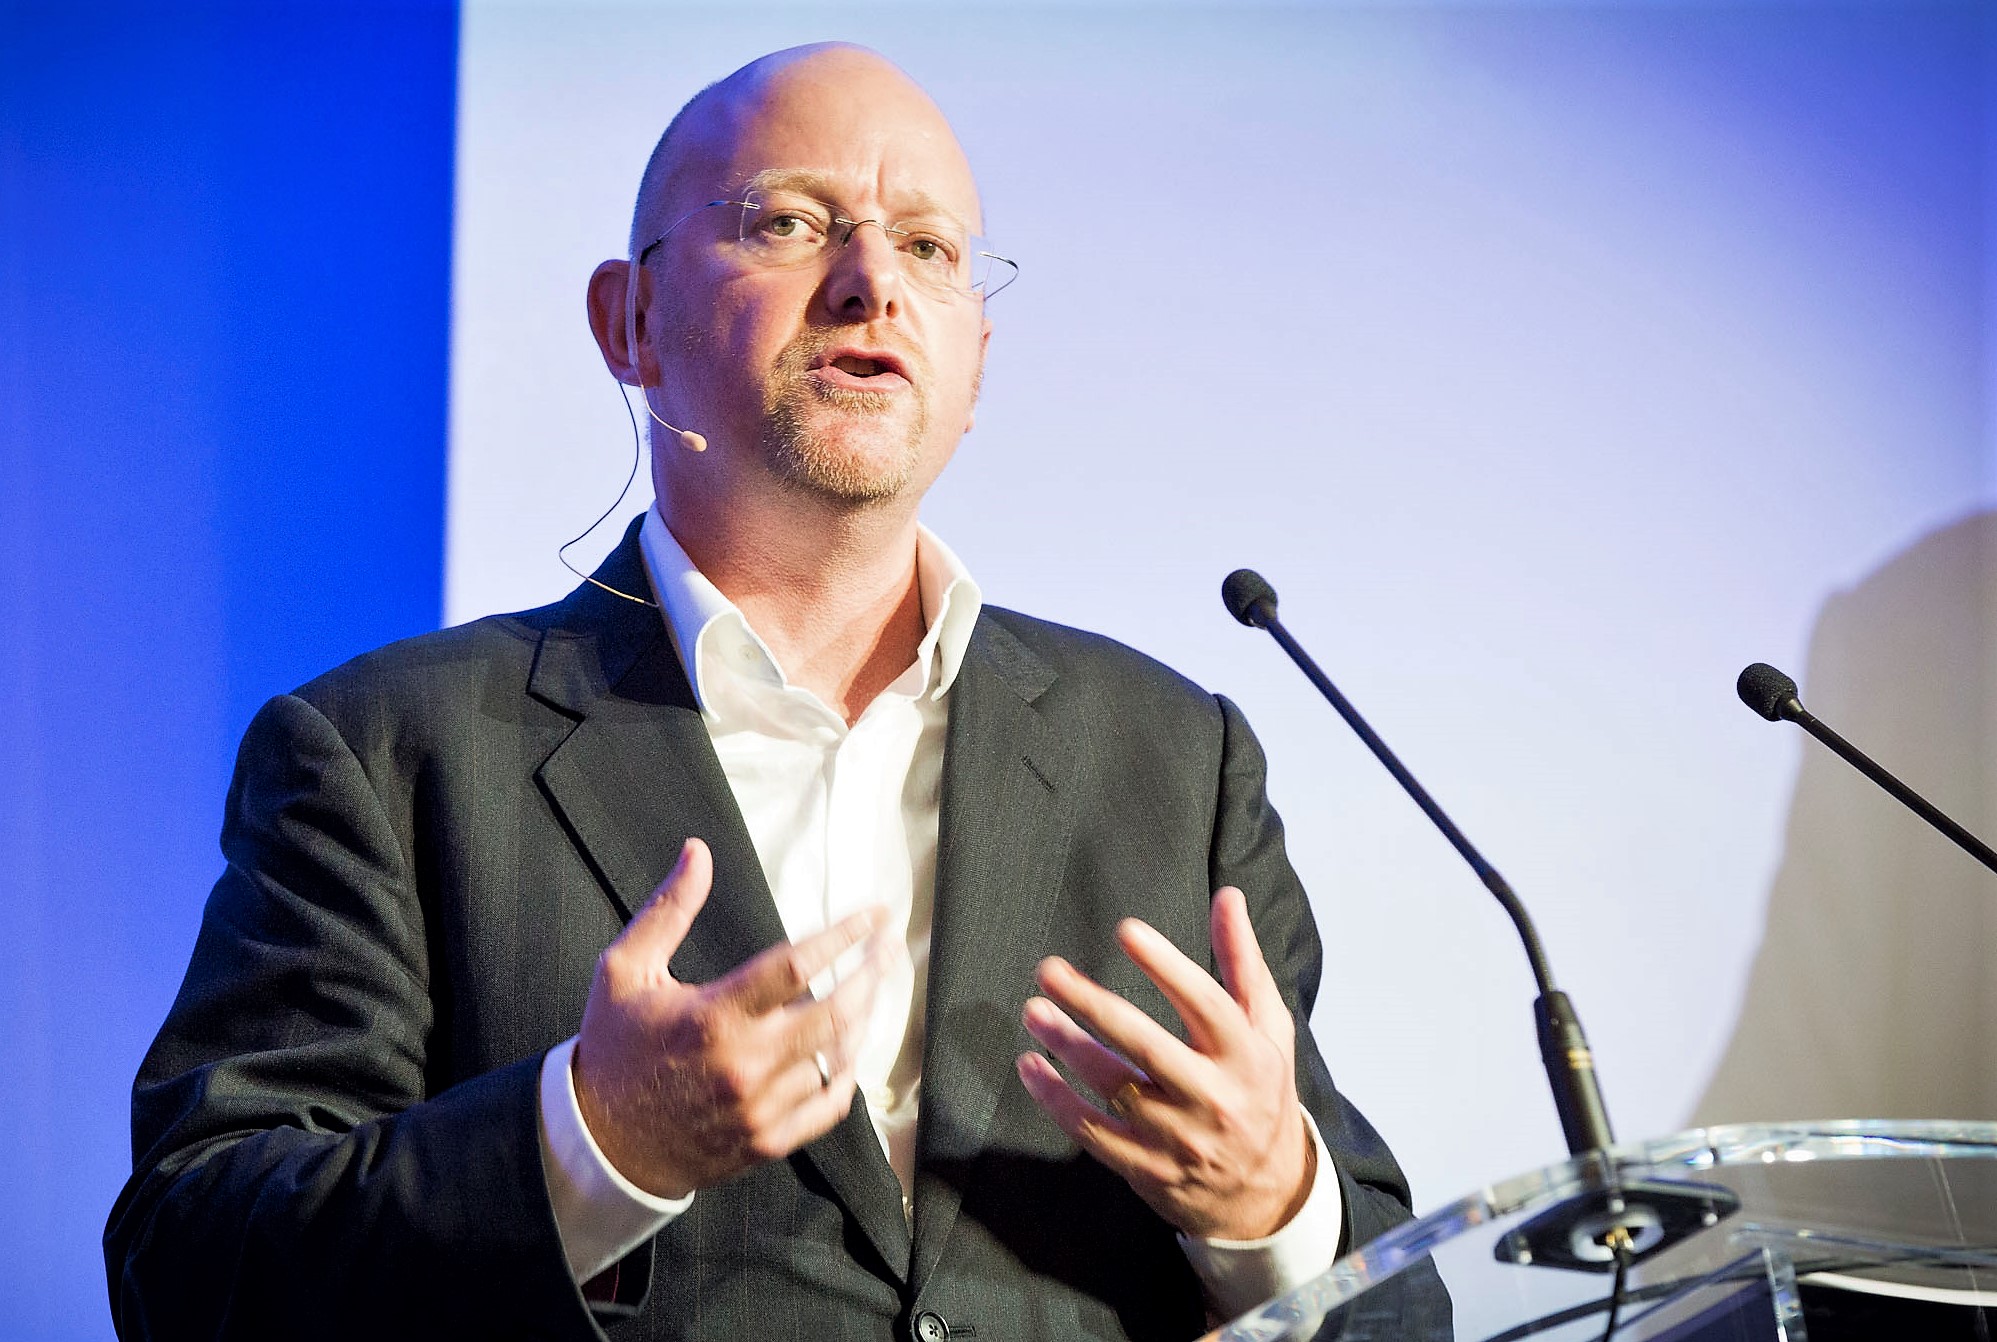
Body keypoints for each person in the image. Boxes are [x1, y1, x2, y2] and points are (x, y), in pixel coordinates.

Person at [106, 44, 1430, 1342]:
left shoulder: (1170, 756)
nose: (871, 285)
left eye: (926, 248)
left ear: (976, 363)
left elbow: (1407, 1305)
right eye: (788, 221)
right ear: (627, 321)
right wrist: (587, 1141)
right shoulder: (388, 752)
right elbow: (191, 1263)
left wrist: (1272, 1208)